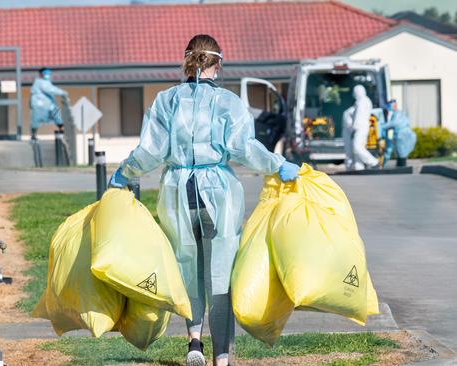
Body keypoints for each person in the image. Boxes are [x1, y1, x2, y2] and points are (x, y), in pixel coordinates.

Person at [108, 34, 299, 366]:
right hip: (218, 196)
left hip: (179, 195)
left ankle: (194, 341)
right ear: (218, 63)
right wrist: (277, 164)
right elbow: (244, 149)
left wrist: (126, 172)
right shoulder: (228, 103)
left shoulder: (166, 101)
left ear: (187, 60)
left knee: (187, 270)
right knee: (220, 276)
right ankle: (221, 357)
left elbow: (152, 150)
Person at [342, 85, 379, 170]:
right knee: (360, 147)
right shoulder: (365, 101)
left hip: (360, 128)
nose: (354, 94)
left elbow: (359, 116)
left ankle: (374, 162)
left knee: (357, 147)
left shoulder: (362, 102)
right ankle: (359, 167)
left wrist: (354, 129)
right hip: (362, 127)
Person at [29, 67, 68, 140]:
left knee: (56, 115)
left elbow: (51, 89)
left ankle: (61, 130)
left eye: (48, 73)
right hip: (41, 105)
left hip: (46, 104)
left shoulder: (45, 82)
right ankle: (34, 135)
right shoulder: (40, 82)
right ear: (40, 74)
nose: (47, 75)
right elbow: (50, 89)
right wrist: (63, 93)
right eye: (45, 74)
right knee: (37, 120)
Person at [381, 99, 417, 167]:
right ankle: (401, 165)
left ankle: (401, 166)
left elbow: (394, 123)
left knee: (401, 152)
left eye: (389, 106)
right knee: (400, 152)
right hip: (403, 134)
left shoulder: (397, 114)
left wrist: (382, 126)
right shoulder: (398, 113)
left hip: (402, 135)